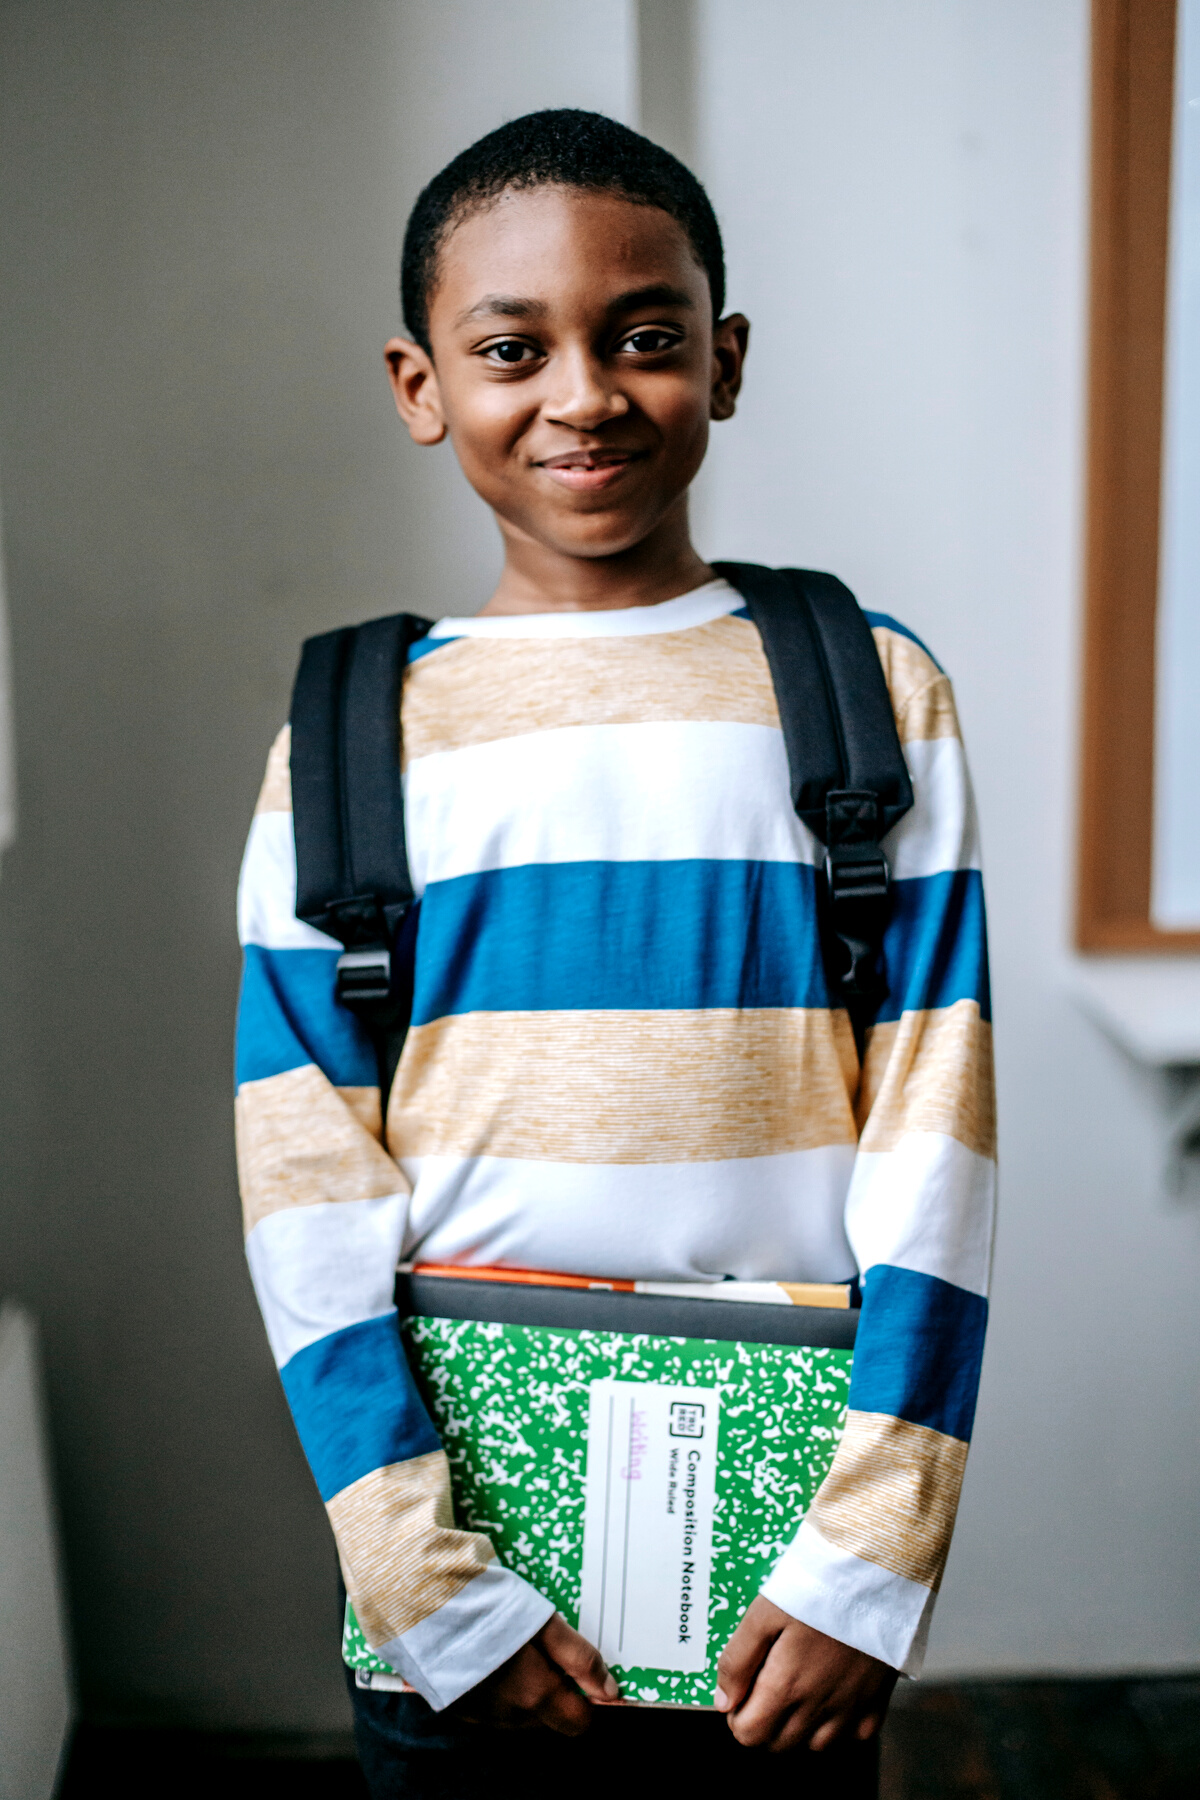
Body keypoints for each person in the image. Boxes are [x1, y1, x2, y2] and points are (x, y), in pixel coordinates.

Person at [234, 109, 994, 1798]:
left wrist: (871, 1558)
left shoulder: (868, 689)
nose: (583, 392)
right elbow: (303, 1183)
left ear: (723, 362)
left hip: (780, 1594)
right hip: (462, 1578)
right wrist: (423, 1582)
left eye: (644, 338)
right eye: (513, 349)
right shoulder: (356, 729)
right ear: (421, 385)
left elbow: (936, 1140)